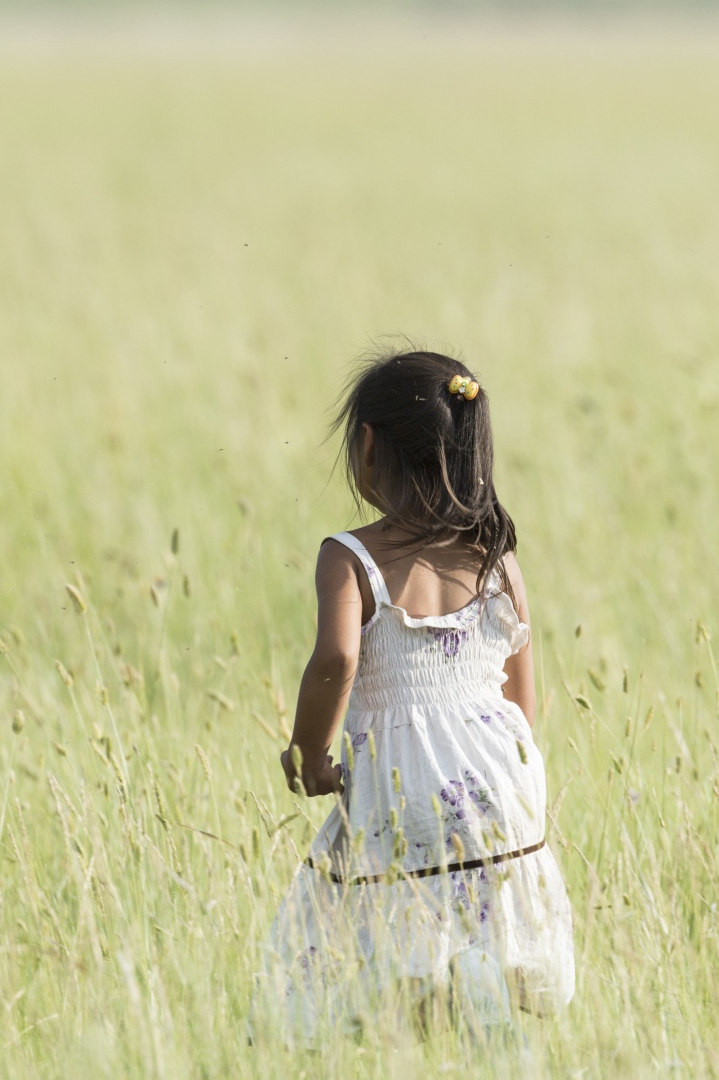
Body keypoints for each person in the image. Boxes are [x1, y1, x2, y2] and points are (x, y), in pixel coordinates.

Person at [261, 350, 574, 1046]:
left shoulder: (350, 556)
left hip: (406, 784)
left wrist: (310, 755)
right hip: (501, 784)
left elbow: (338, 658)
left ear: (367, 446)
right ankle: (493, 1038)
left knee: (383, 948)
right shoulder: (499, 558)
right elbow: (523, 703)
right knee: (479, 943)